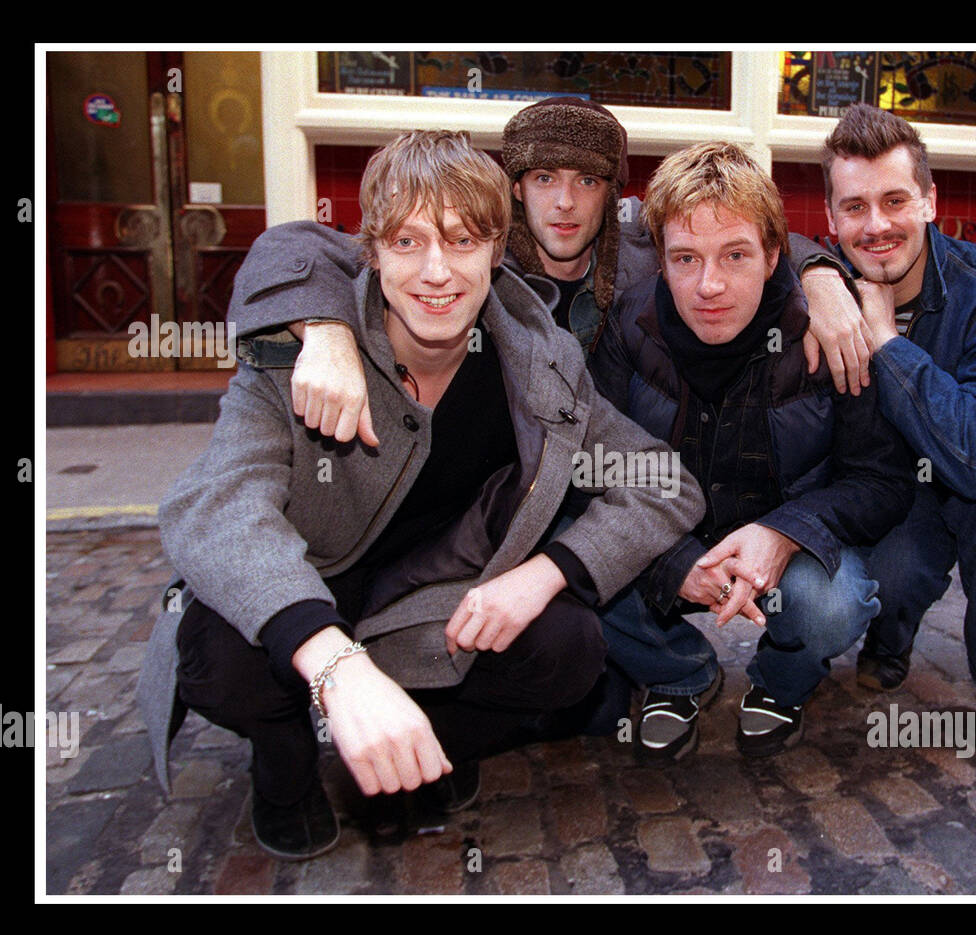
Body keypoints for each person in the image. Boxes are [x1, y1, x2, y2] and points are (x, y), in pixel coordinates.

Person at [135, 130, 704, 860]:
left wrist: (550, 568)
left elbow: (666, 483)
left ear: (497, 250)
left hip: (426, 604)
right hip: (304, 594)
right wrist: (334, 664)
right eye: (408, 242)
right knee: (215, 651)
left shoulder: (539, 368)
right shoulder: (303, 351)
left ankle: (431, 734)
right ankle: (284, 765)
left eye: (463, 240)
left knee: (570, 648)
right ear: (371, 252)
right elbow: (213, 505)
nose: (437, 272)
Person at [244, 96, 876, 449]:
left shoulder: (641, 248)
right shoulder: (476, 249)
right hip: (497, 466)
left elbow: (741, 235)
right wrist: (325, 332)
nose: (566, 202)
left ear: (611, 191)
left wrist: (818, 274)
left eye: (587, 181)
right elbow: (296, 246)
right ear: (516, 187)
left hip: (612, 459)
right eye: (545, 178)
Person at [588, 141, 916, 760]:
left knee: (831, 604)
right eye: (685, 258)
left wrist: (784, 533)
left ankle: (782, 682)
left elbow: (882, 481)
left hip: (786, 539)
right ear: (660, 260)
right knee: (572, 574)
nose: (708, 286)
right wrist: (670, 561)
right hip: (665, 534)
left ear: (772, 256)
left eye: (734, 255)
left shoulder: (827, 329)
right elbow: (598, 471)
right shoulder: (629, 326)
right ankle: (679, 671)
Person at [817, 104, 976, 766]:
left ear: (931, 201)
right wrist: (809, 271)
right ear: (830, 218)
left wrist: (883, 340)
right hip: (897, 478)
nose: (875, 226)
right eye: (854, 207)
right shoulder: (824, 280)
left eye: (895, 200)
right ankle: (892, 631)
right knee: (895, 567)